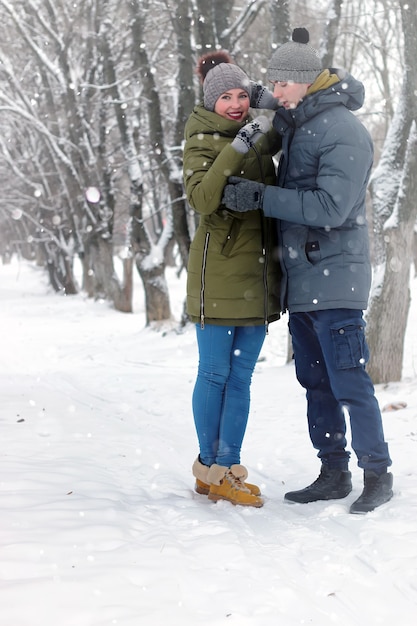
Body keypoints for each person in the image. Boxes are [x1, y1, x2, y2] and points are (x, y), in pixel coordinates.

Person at [222, 28, 393, 514]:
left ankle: (377, 473)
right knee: (315, 383)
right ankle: (333, 471)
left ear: (305, 81)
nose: (273, 93)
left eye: (280, 84)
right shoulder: (298, 120)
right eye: (271, 84)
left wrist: (261, 197)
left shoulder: (342, 129)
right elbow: (271, 118)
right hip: (303, 279)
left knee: (349, 382)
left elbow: (332, 207)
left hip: (336, 280)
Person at [183, 51, 282, 508]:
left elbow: (295, 121)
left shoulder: (261, 133)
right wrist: (236, 148)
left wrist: (271, 103)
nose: (237, 103)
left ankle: (227, 466)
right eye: (227, 96)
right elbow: (202, 199)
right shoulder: (200, 137)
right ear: (211, 100)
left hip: (257, 274)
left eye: (244, 94)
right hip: (218, 277)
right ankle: (210, 467)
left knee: (240, 378)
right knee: (215, 373)